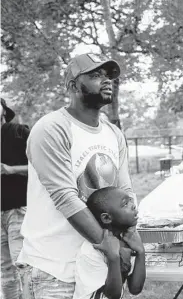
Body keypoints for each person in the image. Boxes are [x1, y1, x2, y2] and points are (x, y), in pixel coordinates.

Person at [16, 53, 135, 299]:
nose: (106, 80)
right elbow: (65, 197)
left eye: (108, 75)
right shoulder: (52, 128)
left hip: (96, 265)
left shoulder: (114, 134)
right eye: (95, 75)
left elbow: (125, 191)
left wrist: (127, 240)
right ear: (72, 86)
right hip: (54, 269)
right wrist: (108, 246)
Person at [74, 187, 145, 299]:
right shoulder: (91, 251)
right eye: (125, 204)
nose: (133, 205)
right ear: (107, 218)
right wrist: (113, 258)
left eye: (130, 200)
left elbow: (135, 289)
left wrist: (141, 251)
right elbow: (113, 295)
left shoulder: (125, 240)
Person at [1, 98, 30, 299]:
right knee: (4, 270)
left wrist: (10, 169)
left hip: (18, 209)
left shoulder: (20, 132)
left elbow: (41, 167)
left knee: (22, 264)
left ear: (3, 110)